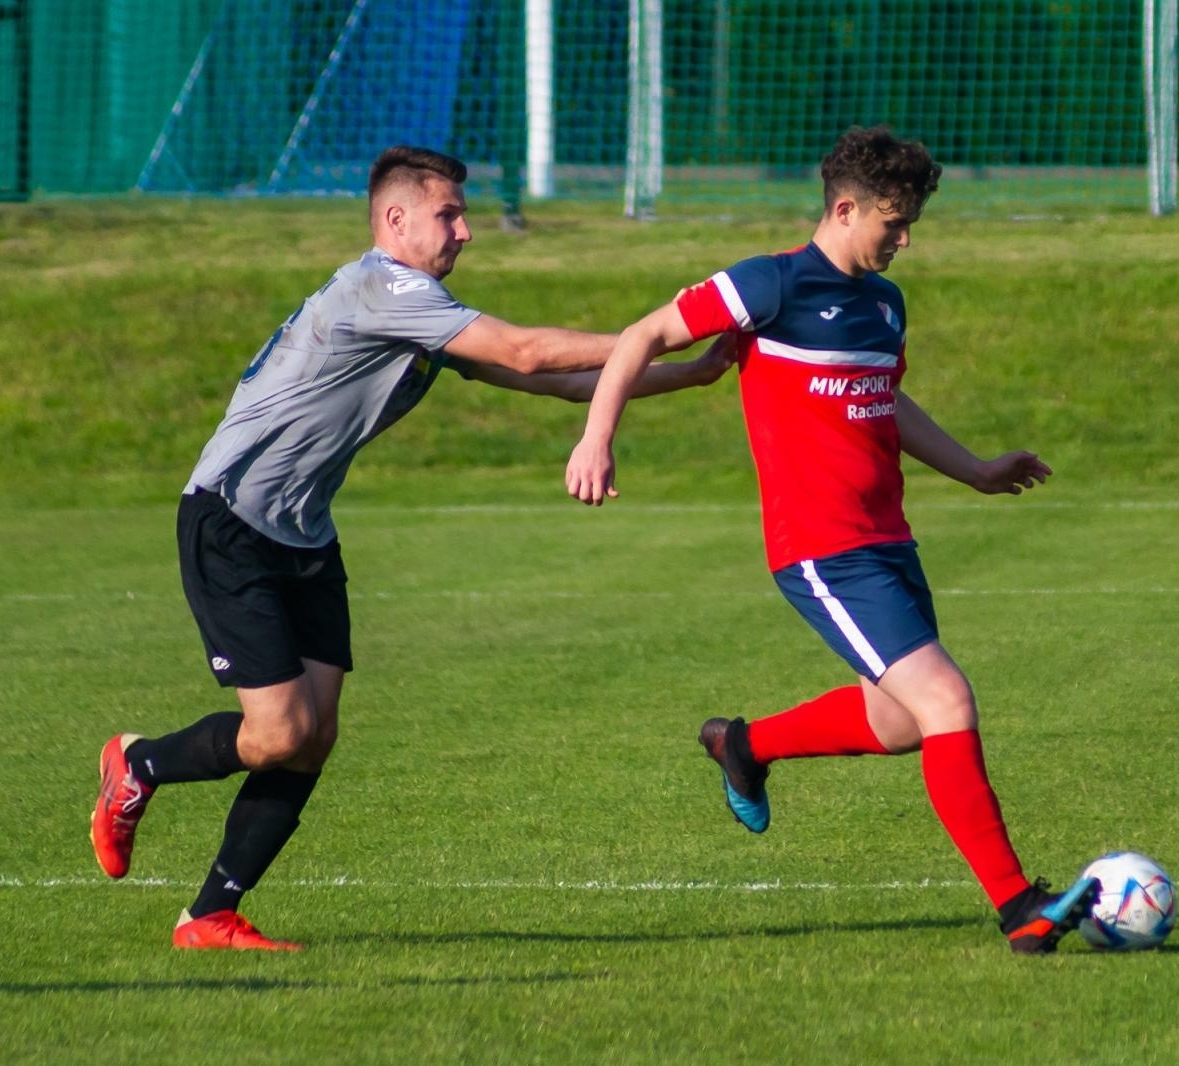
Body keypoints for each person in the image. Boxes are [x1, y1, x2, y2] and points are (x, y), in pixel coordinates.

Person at [91, 145, 731, 951]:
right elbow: (530, 351)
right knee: (280, 733)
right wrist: (654, 331)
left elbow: (557, 383)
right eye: (449, 214)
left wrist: (694, 372)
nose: (465, 231)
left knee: (315, 732)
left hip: (304, 531)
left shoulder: (419, 306)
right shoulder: (382, 288)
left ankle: (210, 914)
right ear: (396, 220)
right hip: (231, 519)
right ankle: (139, 764)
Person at [564, 126, 1099, 954]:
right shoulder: (769, 286)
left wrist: (977, 471)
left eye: (913, 221)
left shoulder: (885, 303)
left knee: (900, 723)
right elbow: (642, 337)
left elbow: (889, 401)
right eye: (895, 221)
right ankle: (1019, 907)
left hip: (888, 539)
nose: (906, 238)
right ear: (845, 209)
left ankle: (743, 745)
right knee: (948, 700)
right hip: (821, 549)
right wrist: (598, 438)